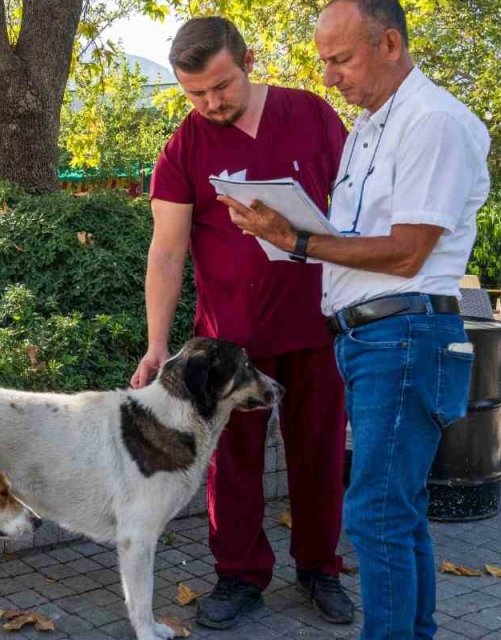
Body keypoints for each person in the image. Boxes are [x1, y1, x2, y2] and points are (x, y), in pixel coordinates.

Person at [224, 0, 491, 636]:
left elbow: (407, 250)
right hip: (373, 337)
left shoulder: (431, 121)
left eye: (340, 59)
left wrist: (296, 240)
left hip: (405, 334)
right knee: (396, 511)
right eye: (323, 62)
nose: (329, 76)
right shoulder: (372, 127)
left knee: (374, 514)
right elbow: (367, 237)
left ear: (390, 44)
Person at [131, 16, 354, 629]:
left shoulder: (312, 115)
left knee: (320, 452)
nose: (210, 103)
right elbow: (167, 252)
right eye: (195, 93)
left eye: (221, 86)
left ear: (247, 59)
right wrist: (157, 344)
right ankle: (239, 576)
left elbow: (358, 208)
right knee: (230, 463)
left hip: (317, 323)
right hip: (230, 345)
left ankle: (320, 569)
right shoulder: (185, 145)